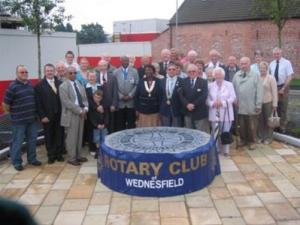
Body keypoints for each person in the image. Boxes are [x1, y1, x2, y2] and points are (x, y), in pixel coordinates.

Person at [3, 65, 41, 171]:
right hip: (18, 122)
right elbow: (5, 104)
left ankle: (32, 159)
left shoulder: (30, 85)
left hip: (32, 120)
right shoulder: (12, 87)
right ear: (17, 74)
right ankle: (16, 162)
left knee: (32, 141)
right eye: (22, 72)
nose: (24, 74)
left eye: (25, 72)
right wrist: (11, 115)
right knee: (17, 142)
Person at [59, 66, 89, 166]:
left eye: (74, 73)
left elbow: (84, 98)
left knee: (80, 135)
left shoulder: (79, 84)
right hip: (71, 114)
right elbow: (66, 102)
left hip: (81, 113)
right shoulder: (63, 86)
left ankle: (78, 155)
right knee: (72, 137)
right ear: (66, 74)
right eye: (70, 73)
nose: (73, 75)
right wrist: (79, 110)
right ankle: (72, 158)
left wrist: (85, 108)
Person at [35, 64, 64, 164]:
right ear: (45, 72)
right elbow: (38, 103)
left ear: (54, 71)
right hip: (47, 117)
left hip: (59, 115)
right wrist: (42, 116)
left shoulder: (60, 83)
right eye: (47, 71)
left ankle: (59, 154)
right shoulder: (39, 86)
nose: (50, 72)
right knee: (49, 136)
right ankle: (51, 155)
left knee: (59, 135)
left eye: (51, 70)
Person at [232, 57, 263, 150]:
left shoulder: (255, 75)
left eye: (245, 63)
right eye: (241, 64)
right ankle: (243, 140)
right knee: (241, 125)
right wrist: (234, 99)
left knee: (252, 125)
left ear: (249, 64)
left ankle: (252, 141)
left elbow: (259, 91)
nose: (243, 66)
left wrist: (258, 104)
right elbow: (232, 89)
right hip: (240, 105)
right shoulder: (236, 75)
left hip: (251, 105)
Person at [207, 67, 236, 156]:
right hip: (214, 111)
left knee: (225, 130)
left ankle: (226, 150)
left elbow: (233, 97)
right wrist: (212, 103)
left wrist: (222, 103)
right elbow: (207, 99)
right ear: (214, 76)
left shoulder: (229, 84)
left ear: (223, 75)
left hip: (226, 112)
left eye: (219, 74)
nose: (218, 76)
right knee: (215, 130)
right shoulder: (210, 85)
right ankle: (216, 149)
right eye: (216, 74)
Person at [269, 47, 294, 133]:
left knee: (283, 107)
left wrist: (283, 88)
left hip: (284, 86)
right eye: (275, 54)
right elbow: (270, 77)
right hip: (274, 87)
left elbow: (290, 76)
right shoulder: (271, 64)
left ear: (281, 53)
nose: (276, 55)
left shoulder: (287, 63)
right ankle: (275, 125)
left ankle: (282, 126)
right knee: (275, 106)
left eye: (278, 54)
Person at [179, 64, 209, 133]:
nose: (191, 73)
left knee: (201, 133)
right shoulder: (183, 81)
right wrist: (187, 104)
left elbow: (204, 95)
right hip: (187, 112)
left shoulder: (203, 82)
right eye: (189, 71)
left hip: (200, 112)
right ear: (187, 72)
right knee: (189, 133)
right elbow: (181, 95)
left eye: (194, 71)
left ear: (197, 71)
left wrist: (193, 105)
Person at [114, 56, 139, 131]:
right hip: (120, 103)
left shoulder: (134, 71)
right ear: (120, 61)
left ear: (129, 61)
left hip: (131, 102)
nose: (125, 62)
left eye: (126, 61)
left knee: (131, 123)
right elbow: (114, 87)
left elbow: (137, 84)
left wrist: (130, 95)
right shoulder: (116, 72)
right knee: (120, 123)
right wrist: (121, 96)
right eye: (123, 61)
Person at [257, 61, 278, 144]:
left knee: (268, 121)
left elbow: (274, 92)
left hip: (268, 102)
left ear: (267, 69)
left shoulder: (271, 78)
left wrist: (274, 104)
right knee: (260, 121)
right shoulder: (257, 77)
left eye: (264, 68)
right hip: (259, 103)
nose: (262, 70)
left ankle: (269, 138)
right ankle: (261, 137)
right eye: (260, 68)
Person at [95, 59, 118, 133]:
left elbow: (115, 91)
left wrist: (114, 104)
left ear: (107, 66)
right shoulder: (95, 77)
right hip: (99, 106)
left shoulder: (113, 77)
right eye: (100, 66)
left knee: (110, 125)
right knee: (101, 125)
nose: (102, 67)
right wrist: (97, 105)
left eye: (104, 65)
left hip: (110, 106)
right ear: (98, 67)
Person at [85, 71, 102, 155]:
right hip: (90, 112)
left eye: (93, 76)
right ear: (87, 77)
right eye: (90, 77)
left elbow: (103, 96)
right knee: (91, 130)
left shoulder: (99, 86)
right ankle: (92, 148)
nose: (92, 78)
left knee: (98, 130)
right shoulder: (85, 87)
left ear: (96, 77)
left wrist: (100, 106)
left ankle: (99, 147)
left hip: (99, 112)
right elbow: (87, 100)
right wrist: (96, 107)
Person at [88, 90, 108, 155]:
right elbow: (91, 117)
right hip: (96, 127)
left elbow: (107, 116)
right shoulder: (92, 107)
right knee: (97, 139)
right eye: (95, 97)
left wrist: (105, 124)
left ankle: (103, 151)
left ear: (101, 98)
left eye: (98, 98)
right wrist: (96, 125)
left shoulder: (103, 106)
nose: (97, 99)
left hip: (104, 126)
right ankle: (98, 151)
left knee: (104, 138)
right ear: (93, 97)